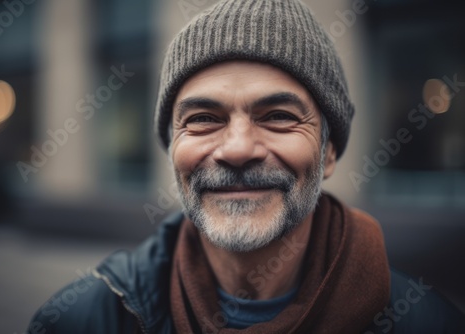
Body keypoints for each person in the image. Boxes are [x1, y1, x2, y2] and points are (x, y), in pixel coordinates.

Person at [28, 0, 465, 333]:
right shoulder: (85, 318)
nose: (237, 149)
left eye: (278, 116)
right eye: (202, 119)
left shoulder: (429, 323)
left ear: (329, 152)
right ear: (172, 149)